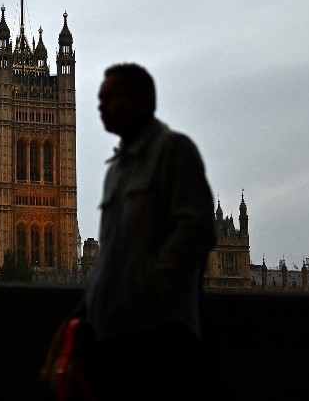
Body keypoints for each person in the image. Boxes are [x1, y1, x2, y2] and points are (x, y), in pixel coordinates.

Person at [77, 63, 218, 400]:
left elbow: (197, 232)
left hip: (158, 338)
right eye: (99, 98)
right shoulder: (117, 169)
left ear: (142, 101)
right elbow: (111, 255)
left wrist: (148, 288)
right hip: (113, 337)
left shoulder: (174, 150)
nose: (101, 105)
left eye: (111, 97)